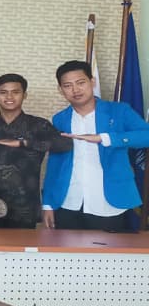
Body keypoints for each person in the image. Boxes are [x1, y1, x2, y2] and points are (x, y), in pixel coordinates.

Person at [41, 60, 149, 232]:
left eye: (81, 82)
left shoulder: (119, 111)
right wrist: (47, 203)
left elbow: (146, 135)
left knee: (108, 250)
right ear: (60, 90)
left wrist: (106, 138)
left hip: (109, 202)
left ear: (92, 82)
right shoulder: (59, 119)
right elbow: (55, 163)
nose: (75, 90)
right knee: (66, 250)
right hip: (68, 201)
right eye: (68, 85)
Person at [0, 74, 73, 228]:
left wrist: (24, 143)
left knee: (22, 244)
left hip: (24, 208)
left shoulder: (39, 125)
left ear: (25, 95)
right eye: (3, 92)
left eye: (15, 92)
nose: (9, 97)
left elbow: (65, 144)